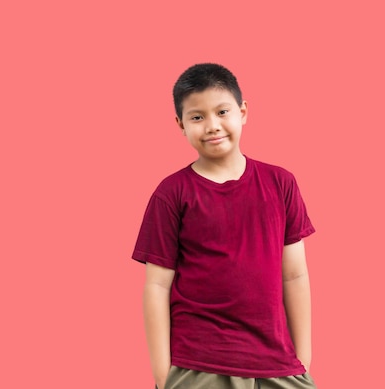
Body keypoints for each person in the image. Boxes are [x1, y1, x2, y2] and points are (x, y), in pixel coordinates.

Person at [132, 63, 317, 389]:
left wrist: (303, 358)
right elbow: (156, 287)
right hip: (199, 365)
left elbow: (295, 275)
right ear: (180, 125)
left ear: (243, 112)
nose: (212, 126)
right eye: (197, 117)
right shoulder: (171, 193)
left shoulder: (281, 183)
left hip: (277, 362)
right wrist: (162, 376)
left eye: (222, 111)